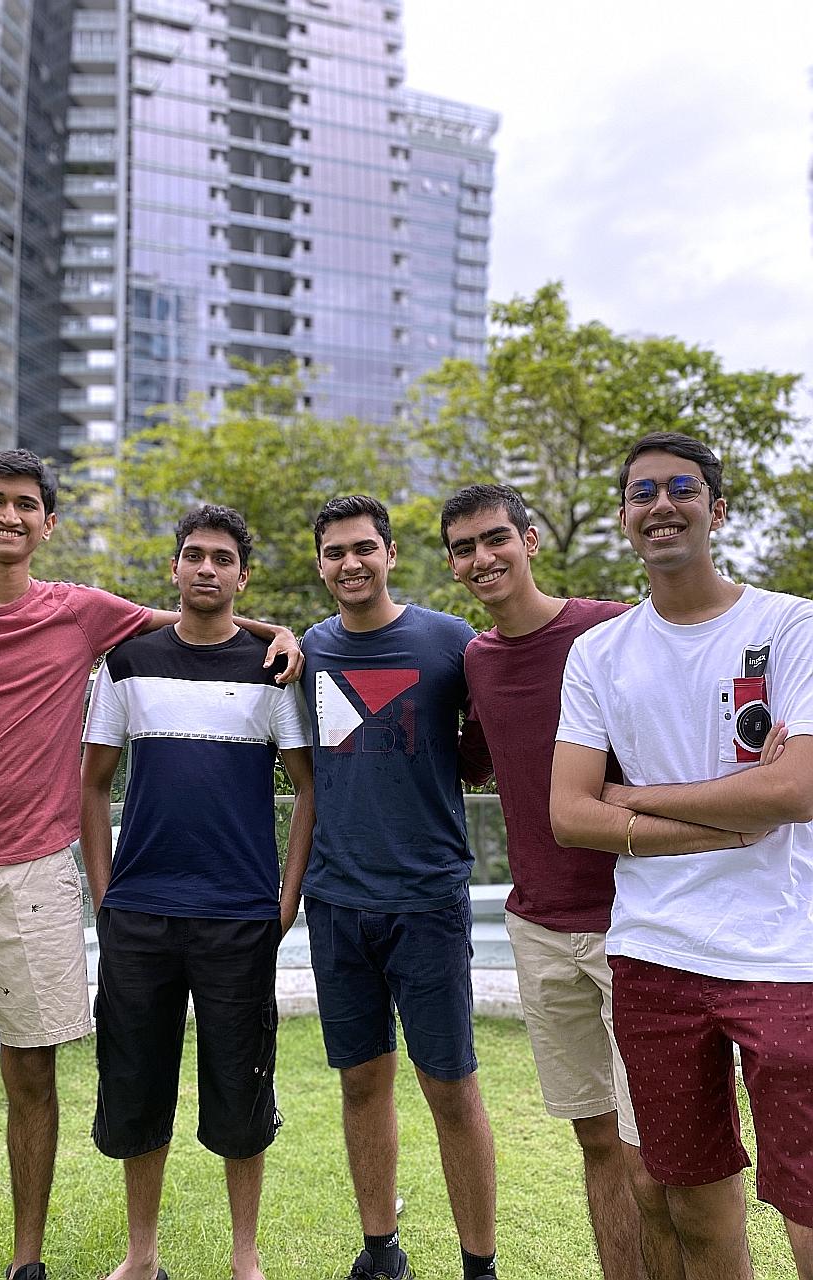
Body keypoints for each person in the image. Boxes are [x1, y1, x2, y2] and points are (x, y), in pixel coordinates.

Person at [0, 452, 299, 1280]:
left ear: (48, 525)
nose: (10, 517)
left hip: (33, 876)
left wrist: (279, 631)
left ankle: (30, 1262)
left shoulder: (83, 613)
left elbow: (198, 617)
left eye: (27, 505)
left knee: (34, 1071)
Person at [550, 431, 813, 1280]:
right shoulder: (599, 654)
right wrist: (734, 818)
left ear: (717, 508)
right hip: (655, 951)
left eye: (682, 488)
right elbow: (567, 814)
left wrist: (638, 796)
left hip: (787, 950)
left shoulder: (790, 626)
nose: (661, 504)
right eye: (642, 492)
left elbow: (796, 793)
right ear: (627, 518)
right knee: (691, 1201)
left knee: (808, 1198)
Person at [442, 481, 687, 1280]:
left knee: (656, 1152)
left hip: (635, 918)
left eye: (495, 539)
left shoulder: (611, 627)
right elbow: (473, 758)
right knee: (594, 1139)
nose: (483, 559)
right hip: (539, 924)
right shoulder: (476, 659)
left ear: (530, 540)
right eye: (465, 548)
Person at [79, 504, 314, 1280]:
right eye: (193, 556)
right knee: (135, 1089)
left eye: (221, 558)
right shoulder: (128, 662)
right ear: (174, 570)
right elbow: (93, 786)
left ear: (242, 576)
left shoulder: (272, 668)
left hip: (239, 917)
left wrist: (285, 902)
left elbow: (307, 791)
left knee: (241, 1097)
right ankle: (140, 1257)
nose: (205, 568)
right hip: (140, 916)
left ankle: (244, 1260)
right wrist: (108, 896)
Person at [300, 495, 497, 1280]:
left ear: (389, 553)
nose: (350, 563)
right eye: (335, 552)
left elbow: (488, 742)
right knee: (360, 1084)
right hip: (338, 903)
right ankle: (381, 1252)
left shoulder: (450, 641)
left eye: (363, 549)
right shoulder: (309, 649)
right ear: (320, 565)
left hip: (429, 904)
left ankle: (479, 1264)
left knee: (452, 1089)